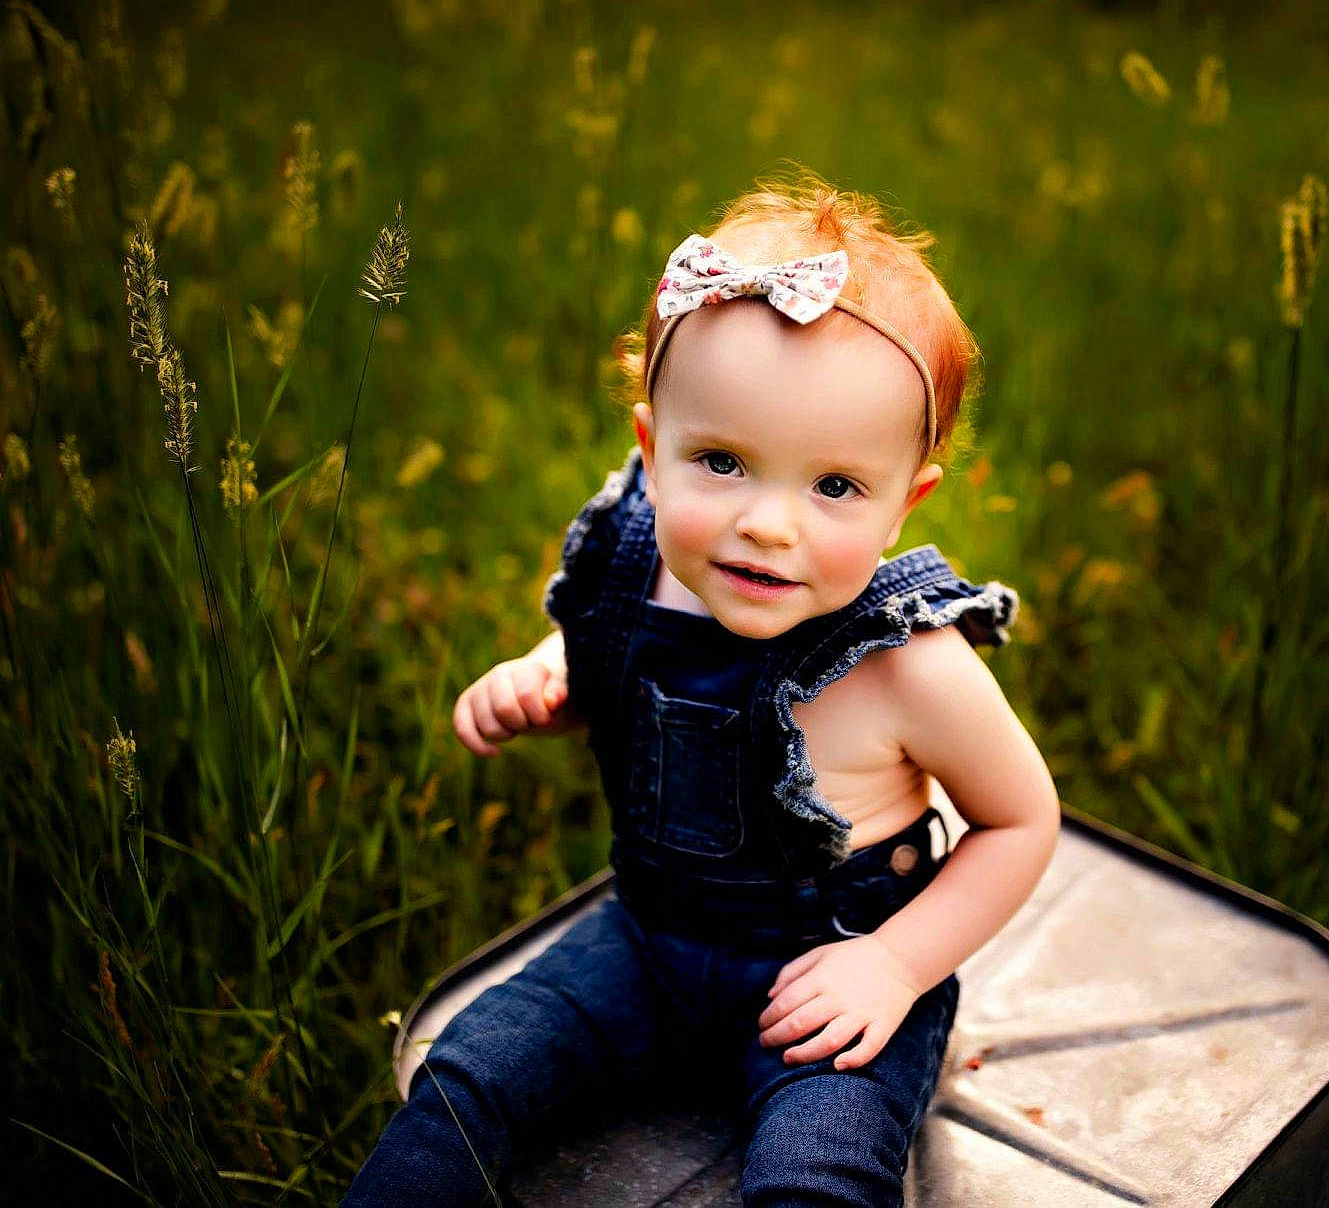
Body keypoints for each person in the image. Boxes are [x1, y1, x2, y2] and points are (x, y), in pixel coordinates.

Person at [343, 170, 1061, 1206]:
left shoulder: (910, 662)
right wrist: (550, 681)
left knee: (819, 1172)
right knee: (472, 1070)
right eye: (721, 461)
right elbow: (607, 670)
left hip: (832, 978)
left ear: (907, 505)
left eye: (834, 486)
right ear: (650, 448)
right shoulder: (632, 570)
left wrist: (898, 967)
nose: (767, 525)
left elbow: (1021, 822)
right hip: (643, 944)